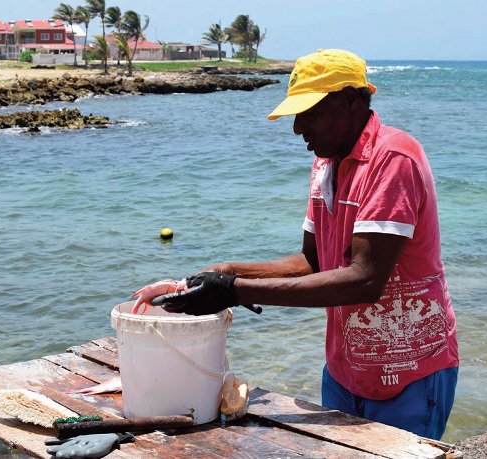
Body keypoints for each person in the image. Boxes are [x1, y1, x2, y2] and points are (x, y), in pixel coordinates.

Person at [154, 49, 459, 440]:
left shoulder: (393, 159)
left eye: (310, 111)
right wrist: (230, 272)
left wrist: (233, 292)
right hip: (345, 370)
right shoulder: (325, 164)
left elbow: (365, 281)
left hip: (409, 372)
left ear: (351, 100)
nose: (298, 127)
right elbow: (313, 260)